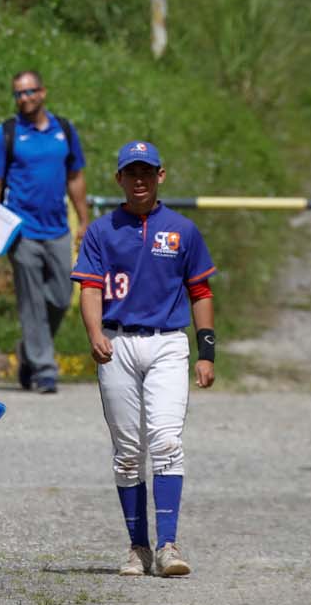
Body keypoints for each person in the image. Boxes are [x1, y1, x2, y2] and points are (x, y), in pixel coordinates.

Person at [72, 141, 217, 578]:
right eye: (131, 173)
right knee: (128, 452)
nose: (139, 180)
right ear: (119, 178)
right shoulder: (101, 230)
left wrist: (206, 352)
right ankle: (138, 548)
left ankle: (168, 544)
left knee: (167, 441)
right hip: (117, 342)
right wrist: (95, 332)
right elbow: (91, 288)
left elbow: (201, 291)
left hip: (169, 341)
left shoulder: (183, 230)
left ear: (161, 176)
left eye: (147, 172)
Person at [0, 71, 89, 394]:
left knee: (61, 296)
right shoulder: (7, 133)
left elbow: (76, 178)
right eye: (18, 94)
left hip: (58, 229)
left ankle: (28, 351)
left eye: (29, 92)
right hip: (22, 230)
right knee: (31, 302)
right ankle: (44, 369)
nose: (24, 98)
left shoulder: (65, 131)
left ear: (43, 92)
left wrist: (83, 220)